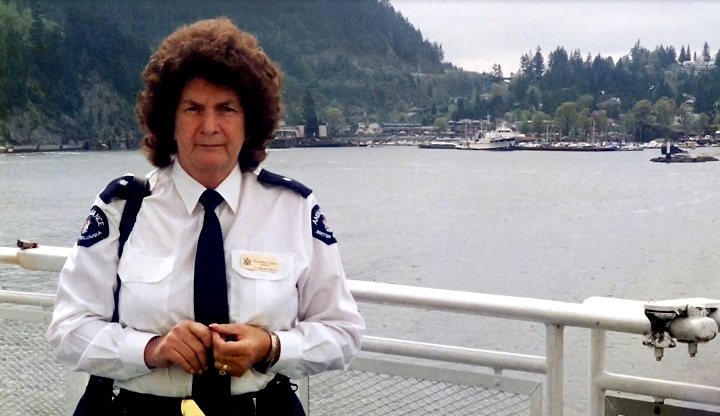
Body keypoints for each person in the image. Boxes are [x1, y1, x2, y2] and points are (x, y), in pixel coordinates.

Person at [46, 17, 364, 415]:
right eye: (193, 108)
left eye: (226, 109)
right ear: (169, 121)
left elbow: (343, 333)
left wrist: (272, 347)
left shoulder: (294, 209)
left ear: (249, 122)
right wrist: (151, 349)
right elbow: (68, 331)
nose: (209, 126)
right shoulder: (123, 209)